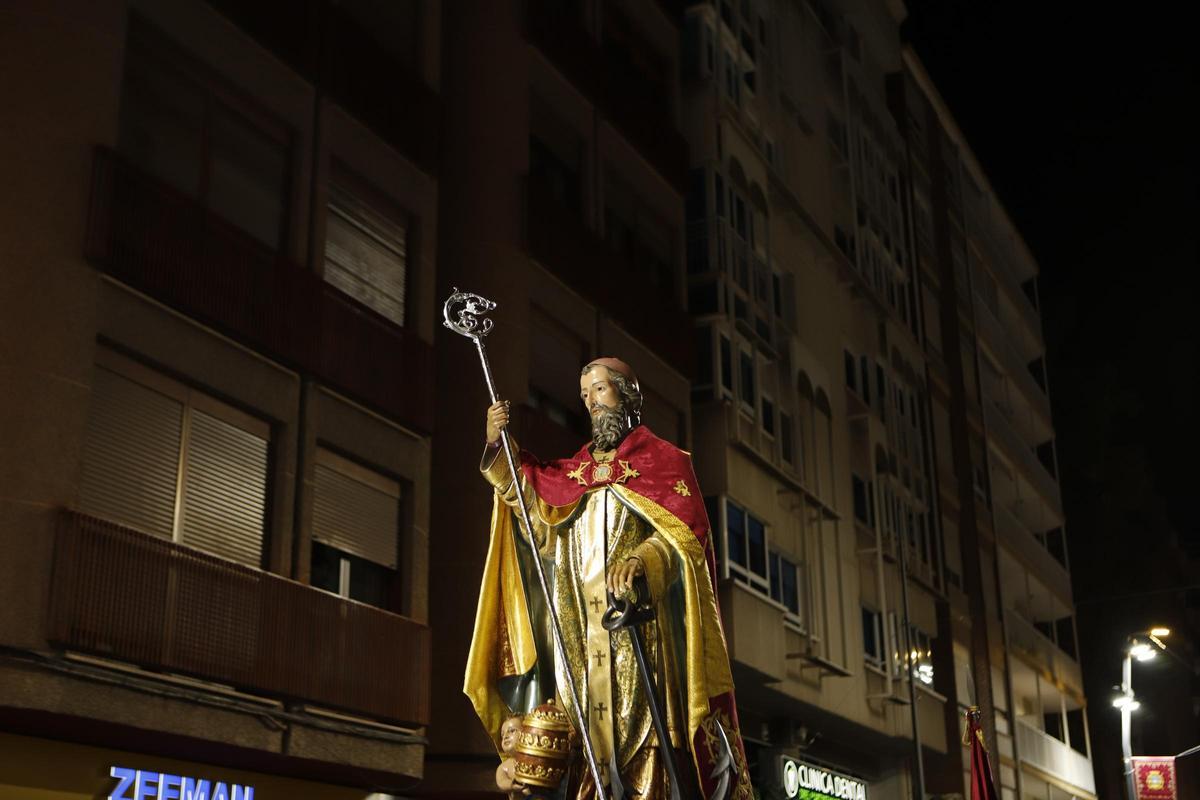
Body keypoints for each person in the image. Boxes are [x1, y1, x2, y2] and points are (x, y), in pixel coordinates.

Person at [464, 358, 753, 800]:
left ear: (627, 393)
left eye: (599, 390)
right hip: (580, 638)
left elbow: (686, 543)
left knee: (646, 751)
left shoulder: (666, 465)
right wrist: (498, 447)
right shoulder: (573, 476)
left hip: (640, 641)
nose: (592, 404)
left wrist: (643, 561)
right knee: (584, 748)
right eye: (584, 396)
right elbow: (529, 510)